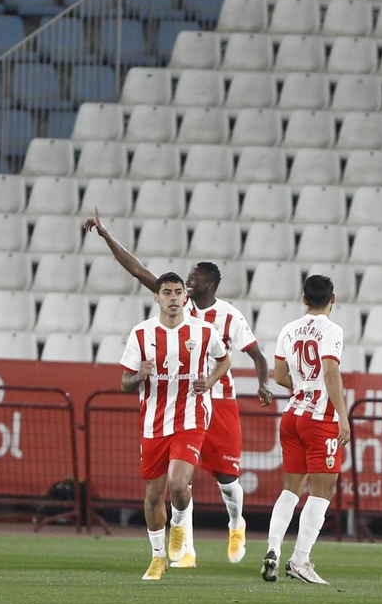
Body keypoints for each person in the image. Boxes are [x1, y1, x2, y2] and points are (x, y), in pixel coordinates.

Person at [83, 211, 272, 566]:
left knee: (227, 478)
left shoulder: (229, 316)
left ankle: (236, 523)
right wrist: (107, 236)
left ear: (208, 285)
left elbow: (257, 356)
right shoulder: (175, 303)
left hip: (220, 398)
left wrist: (262, 383)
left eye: (192, 280)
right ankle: (185, 546)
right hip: (181, 404)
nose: (184, 284)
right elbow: (138, 271)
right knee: (180, 480)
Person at [119, 272, 231, 581]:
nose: (172, 297)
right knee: (154, 495)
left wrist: (208, 381)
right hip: (153, 424)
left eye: (177, 292)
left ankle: (179, 524)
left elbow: (224, 360)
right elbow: (124, 383)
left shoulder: (204, 331)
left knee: (179, 484)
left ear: (185, 297)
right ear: (156, 297)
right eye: (165, 292)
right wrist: (139, 377)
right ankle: (158, 557)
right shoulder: (141, 335)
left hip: (190, 420)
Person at [263, 275, 350, 586]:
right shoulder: (332, 330)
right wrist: (342, 415)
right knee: (322, 492)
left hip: (292, 416)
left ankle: (273, 548)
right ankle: (300, 560)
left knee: (291, 489)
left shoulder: (289, 329)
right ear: (333, 300)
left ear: (304, 300)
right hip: (320, 419)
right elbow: (330, 370)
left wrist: (302, 387)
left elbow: (280, 375)